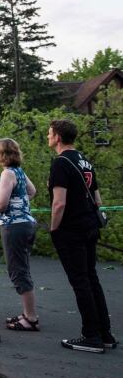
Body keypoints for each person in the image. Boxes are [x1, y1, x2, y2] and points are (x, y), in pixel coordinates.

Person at [47, 120, 117, 353]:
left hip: (71, 228)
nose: (48, 137)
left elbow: (59, 202)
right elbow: (97, 199)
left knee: (80, 282)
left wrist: (53, 229)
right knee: (91, 278)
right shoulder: (85, 161)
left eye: (49, 134)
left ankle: (91, 336)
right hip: (89, 225)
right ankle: (105, 333)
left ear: (57, 137)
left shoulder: (60, 163)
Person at [0, 138, 39, 331]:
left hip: (14, 226)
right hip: (26, 223)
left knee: (17, 270)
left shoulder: (7, 174)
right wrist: (20, 202)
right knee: (22, 268)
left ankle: (31, 317)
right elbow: (32, 191)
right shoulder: (19, 172)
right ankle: (28, 313)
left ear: (2, 154)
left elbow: (2, 204)